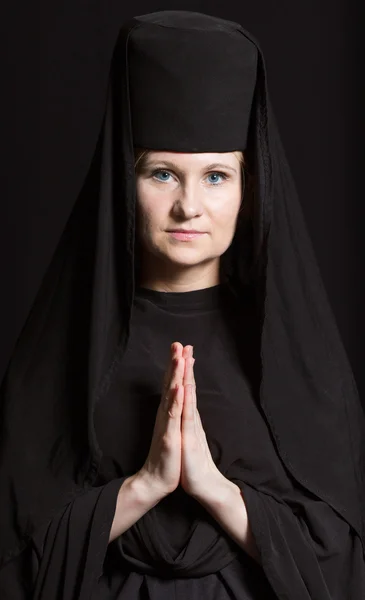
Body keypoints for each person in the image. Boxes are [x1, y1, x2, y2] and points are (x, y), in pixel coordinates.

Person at [0, 9, 364, 600]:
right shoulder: (64, 351)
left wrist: (215, 490)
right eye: (163, 174)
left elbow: (341, 562)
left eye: (217, 176)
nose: (189, 206)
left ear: (251, 188)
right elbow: (16, 555)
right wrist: (144, 486)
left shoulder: (298, 357)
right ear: (125, 181)